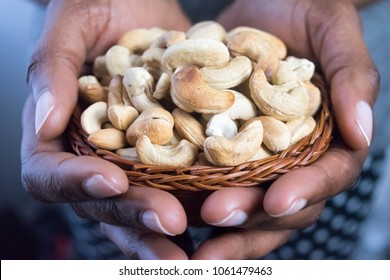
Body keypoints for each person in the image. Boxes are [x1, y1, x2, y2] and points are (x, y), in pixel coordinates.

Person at [21, 0, 379, 259]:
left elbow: (279, 134)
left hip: (322, 48)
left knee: (312, 241)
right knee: (111, 225)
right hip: (102, 41)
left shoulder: (258, 76)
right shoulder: (150, 85)